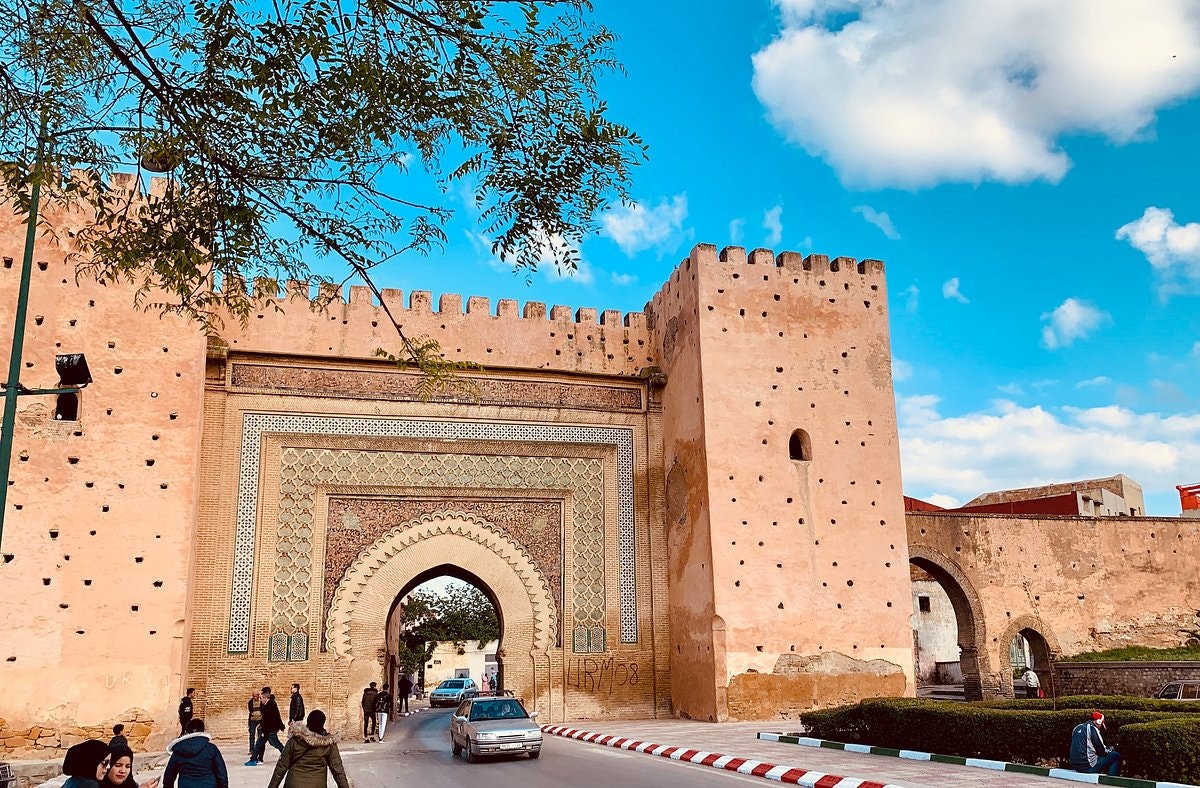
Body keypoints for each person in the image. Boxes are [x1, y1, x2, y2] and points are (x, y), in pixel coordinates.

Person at [266, 710, 350, 788]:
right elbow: (338, 771)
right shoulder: (329, 744)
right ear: (323, 723)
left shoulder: (295, 740)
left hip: (294, 784)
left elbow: (281, 767)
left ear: (308, 722)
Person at [163, 719, 227, 788]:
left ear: (187, 731)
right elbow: (221, 772)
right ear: (203, 731)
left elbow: (169, 776)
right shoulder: (211, 749)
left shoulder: (179, 750)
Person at [1070, 711, 1121, 776]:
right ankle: (1112, 779)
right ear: (1098, 722)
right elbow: (1101, 751)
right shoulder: (1092, 729)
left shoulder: (1077, 727)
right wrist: (1109, 750)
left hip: (1077, 767)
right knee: (1116, 755)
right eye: (1101, 724)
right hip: (1088, 766)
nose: (1100, 727)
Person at [247, 687, 287, 766]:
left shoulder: (271, 705)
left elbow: (274, 717)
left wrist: (280, 726)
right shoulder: (267, 705)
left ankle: (287, 756)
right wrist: (261, 724)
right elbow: (266, 718)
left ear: (265, 698)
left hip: (269, 730)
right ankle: (253, 759)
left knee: (275, 744)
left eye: (261, 698)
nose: (260, 700)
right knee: (259, 744)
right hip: (266, 729)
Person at [247, 690, 262, 756]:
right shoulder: (250, 702)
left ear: (258, 695)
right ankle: (251, 749)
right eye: (253, 696)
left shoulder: (261, 701)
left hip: (259, 720)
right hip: (252, 720)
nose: (254, 697)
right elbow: (250, 711)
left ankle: (259, 749)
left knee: (259, 735)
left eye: (255, 696)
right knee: (251, 734)